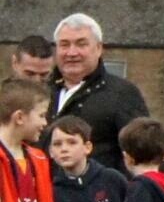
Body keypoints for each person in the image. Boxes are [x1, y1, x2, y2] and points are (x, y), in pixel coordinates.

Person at [46, 14, 151, 170]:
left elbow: (142, 152)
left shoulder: (122, 93)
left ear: (99, 48)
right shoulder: (41, 92)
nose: (72, 52)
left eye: (81, 44)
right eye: (64, 45)